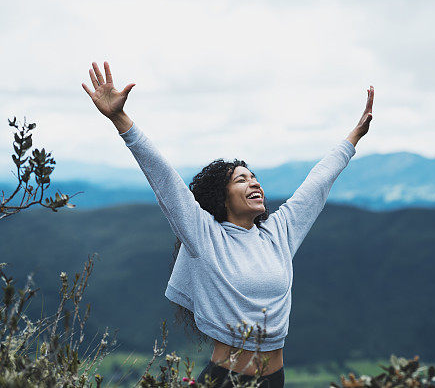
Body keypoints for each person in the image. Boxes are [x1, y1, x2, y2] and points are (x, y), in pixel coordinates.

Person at [82, 61, 374, 388]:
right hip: (225, 381)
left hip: (274, 379)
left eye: (254, 177)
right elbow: (165, 180)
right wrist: (120, 119)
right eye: (241, 180)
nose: (254, 184)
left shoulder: (279, 233)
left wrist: (353, 137)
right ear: (223, 199)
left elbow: (317, 184)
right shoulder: (206, 236)